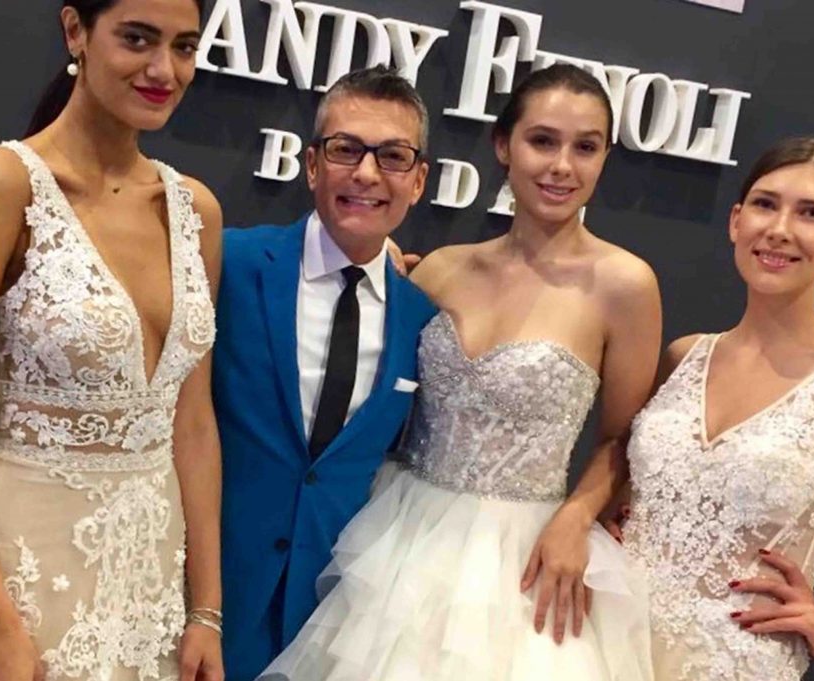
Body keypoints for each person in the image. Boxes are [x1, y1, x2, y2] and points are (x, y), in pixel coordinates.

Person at [261, 63, 660, 681]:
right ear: (504, 145)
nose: (562, 166)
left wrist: (576, 518)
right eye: (543, 141)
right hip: (396, 533)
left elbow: (623, 437)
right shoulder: (440, 271)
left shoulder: (625, 285)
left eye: (586, 147)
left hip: (521, 556)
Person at [0, 1, 225, 680]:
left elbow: (191, 423)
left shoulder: (196, 210)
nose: (164, 70)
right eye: (138, 39)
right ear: (76, 31)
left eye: (184, 47)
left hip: (148, 592)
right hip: (15, 575)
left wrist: (206, 610)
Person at [621, 137, 814, 680]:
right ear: (736, 220)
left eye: (811, 213)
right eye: (765, 204)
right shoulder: (683, 358)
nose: (780, 229)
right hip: (608, 646)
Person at [211, 66, 437, 681]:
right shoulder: (229, 262)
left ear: (418, 181)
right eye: (345, 150)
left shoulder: (423, 319)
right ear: (312, 165)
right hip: (206, 598)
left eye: (392, 156)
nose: (366, 173)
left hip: (329, 622)